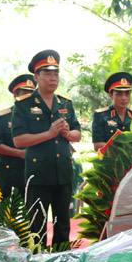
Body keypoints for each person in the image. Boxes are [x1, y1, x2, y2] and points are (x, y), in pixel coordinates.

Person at [12, 50, 81, 247]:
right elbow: (18, 140)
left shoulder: (65, 103)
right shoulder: (24, 104)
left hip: (63, 175)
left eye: (56, 74)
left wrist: (68, 134)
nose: (53, 78)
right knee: (36, 227)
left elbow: (78, 134)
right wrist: (49, 134)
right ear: (36, 77)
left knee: (63, 226)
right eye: (47, 74)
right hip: (39, 175)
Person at [0, 74, 37, 199]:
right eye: (24, 92)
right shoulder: (3, 117)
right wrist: (19, 153)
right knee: (9, 214)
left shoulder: (40, 116)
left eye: (31, 92)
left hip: (36, 173)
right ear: (15, 95)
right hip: (11, 173)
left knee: (35, 213)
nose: (28, 96)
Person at [92, 72, 132, 151]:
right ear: (111, 95)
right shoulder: (101, 115)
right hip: (109, 161)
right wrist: (123, 148)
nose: (124, 98)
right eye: (119, 94)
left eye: (127, 94)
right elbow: (97, 145)